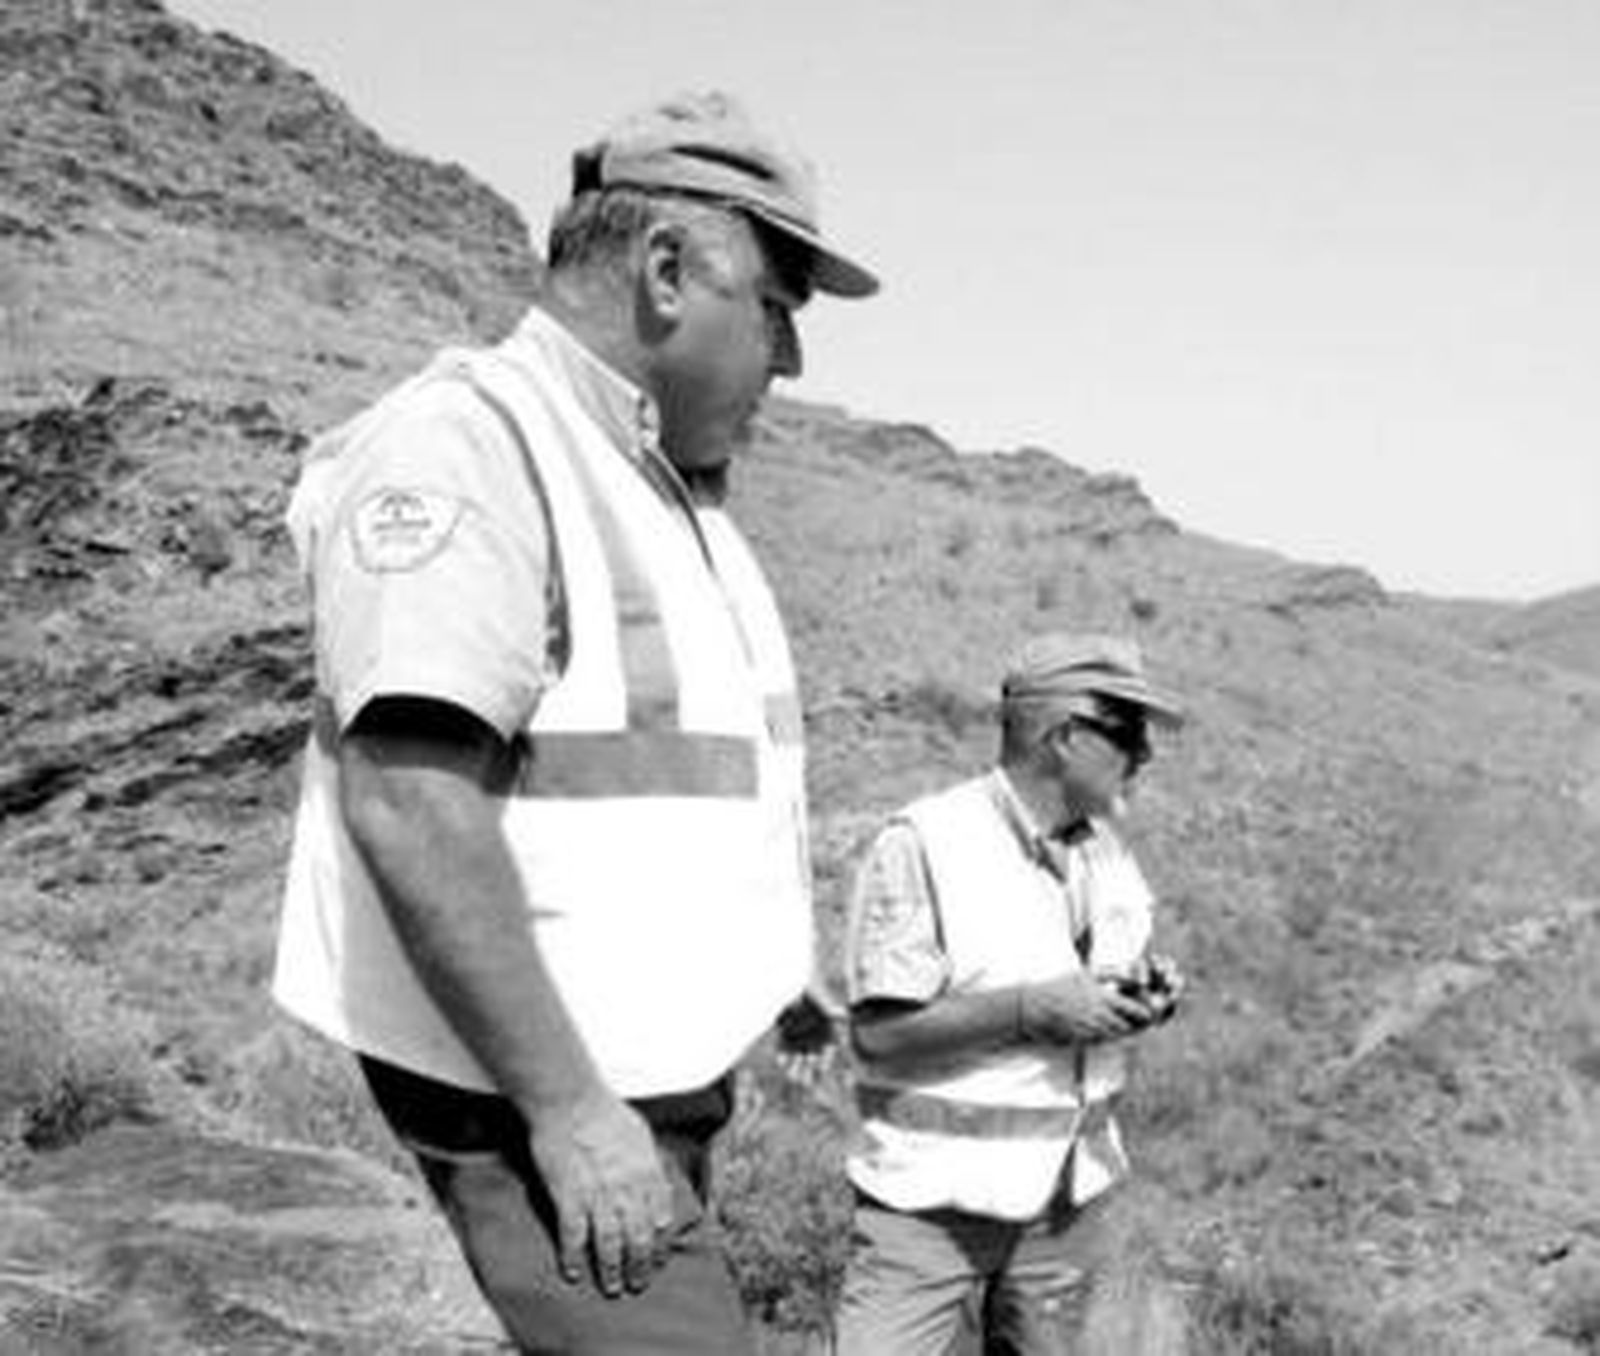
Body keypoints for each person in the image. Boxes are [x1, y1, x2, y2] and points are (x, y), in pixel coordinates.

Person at [272, 91, 877, 1354]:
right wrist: (568, 1112)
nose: (791, 356)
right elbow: (409, 795)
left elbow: (670, 771)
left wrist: (772, 959)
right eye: (776, 306)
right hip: (533, 1105)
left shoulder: (652, 476)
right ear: (667, 269)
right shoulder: (467, 449)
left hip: (634, 1088)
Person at [834, 633, 1185, 1355]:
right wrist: (1031, 1011)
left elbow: (1096, 977)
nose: (1145, 753)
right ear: (1064, 737)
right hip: (927, 1215)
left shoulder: (1107, 849)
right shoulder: (927, 841)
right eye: (1127, 732)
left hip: (1065, 1211)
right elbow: (878, 1036)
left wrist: (1148, 991)